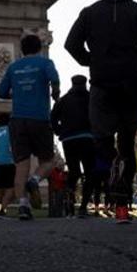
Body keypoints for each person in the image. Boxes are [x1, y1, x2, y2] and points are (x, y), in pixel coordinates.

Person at [64, 0, 137, 224]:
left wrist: (91, 61)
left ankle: (113, 165)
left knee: (102, 140)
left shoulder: (90, 13)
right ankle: (122, 206)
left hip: (101, 85)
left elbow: (70, 44)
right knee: (127, 144)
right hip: (132, 85)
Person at [0, 33, 61, 221]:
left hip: (17, 121)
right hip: (39, 119)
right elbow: (54, 79)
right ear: (39, 48)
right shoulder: (45, 63)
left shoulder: (13, 67)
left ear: (21, 50)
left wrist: (17, 95)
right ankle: (34, 181)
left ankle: (23, 207)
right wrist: (55, 92)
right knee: (48, 161)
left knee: (20, 167)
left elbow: (1, 93)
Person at [50, 75, 98, 217]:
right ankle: (83, 207)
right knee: (89, 173)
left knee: (74, 170)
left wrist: (59, 130)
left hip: (69, 139)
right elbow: (100, 115)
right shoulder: (91, 99)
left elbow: (53, 117)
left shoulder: (63, 100)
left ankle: (69, 192)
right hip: (87, 138)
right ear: (85, 84)